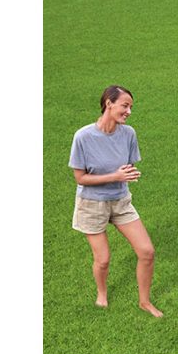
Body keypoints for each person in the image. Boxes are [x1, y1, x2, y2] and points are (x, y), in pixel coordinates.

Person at [69, 85, 163, 317]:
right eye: (125, 105)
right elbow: (80, 178)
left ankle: (144, 302)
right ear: (108, 104)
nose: (129, 111)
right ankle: (102, 293)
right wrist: (115, 176)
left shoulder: (128, 134)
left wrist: (128, 174)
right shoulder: (83, 137)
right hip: (92, 204)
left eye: (131, 107)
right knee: (103, 260)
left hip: (120, 201)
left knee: (147, 251)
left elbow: (127, 166)